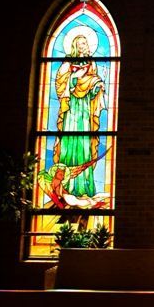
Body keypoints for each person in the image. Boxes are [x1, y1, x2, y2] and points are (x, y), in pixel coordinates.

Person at [54, 33, 105, 199]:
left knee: (84, 144)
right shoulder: (68, 62)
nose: (83, 45)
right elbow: (60, 84)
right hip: (71, 108)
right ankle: (66, 186)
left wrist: (97, 85)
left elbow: (92, 88)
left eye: (85, 43)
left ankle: (84, 187)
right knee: (69, 143)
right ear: (75, 45)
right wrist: (73, 79)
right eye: (80, 43)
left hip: (84, 110)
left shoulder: (91, 63)